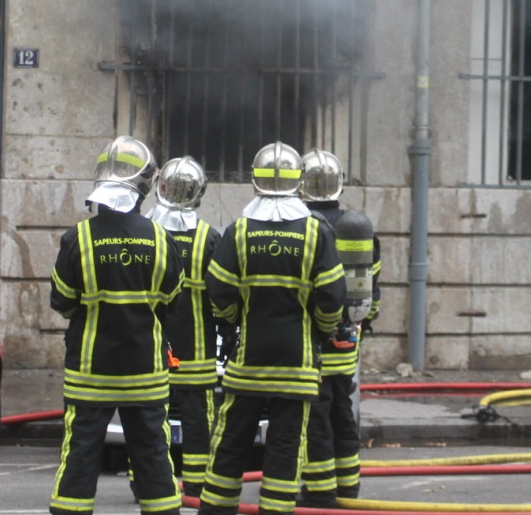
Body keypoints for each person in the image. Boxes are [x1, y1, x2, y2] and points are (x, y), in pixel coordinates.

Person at [198, 142, 346, 515]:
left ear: (254, 182)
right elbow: (331, 299)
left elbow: (218, 291)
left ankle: (215, 508)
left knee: (231, 440)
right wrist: (320, 330)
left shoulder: (239, 230)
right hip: (297, 364)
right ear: (299, 184)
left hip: (248, 362)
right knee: (285, 446)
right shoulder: (315, 232)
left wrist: (236, 321)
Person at [48, 136, 184, 515]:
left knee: (79, 459)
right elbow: (172, 300)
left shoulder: (78, 239)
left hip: (90, 374)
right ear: (143, 188)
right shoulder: (162, 239)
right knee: (154, 458)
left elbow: (61, 301)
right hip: (146, 371)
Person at [297, 149, 382, 507]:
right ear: (340, 185)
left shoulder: (301, 226)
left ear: (302, 186)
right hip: (347, 343)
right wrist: (363, 324)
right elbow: (373, 289)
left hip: (311, 344)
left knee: (315, 419)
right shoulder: (358, 229)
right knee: (343, 414)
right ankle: (349, 485)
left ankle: (319, 491)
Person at [145, 156, 221, 498]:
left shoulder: (146, 232)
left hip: (154, 346)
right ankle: (195, 484)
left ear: (160, 188)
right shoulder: (209, 237)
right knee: (197, 420)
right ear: (198, 192)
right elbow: (223, 297)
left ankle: (147, 482)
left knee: (149, 419)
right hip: (198, 350)